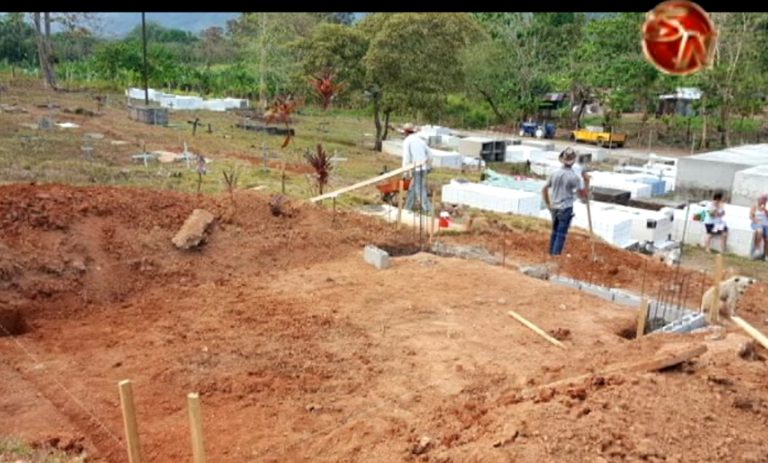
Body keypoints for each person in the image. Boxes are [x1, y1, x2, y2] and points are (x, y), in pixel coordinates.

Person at [542, 147, 589, 257]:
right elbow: (582, 195)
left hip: (555, 207)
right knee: (561, 234)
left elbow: (544, 189)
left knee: (554, 232)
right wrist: (587, 185)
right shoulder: (573, 177)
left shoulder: (554, 173)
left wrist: (548, 205)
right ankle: (555, 257)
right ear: (572, 161)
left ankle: (551, 255)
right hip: (565, 208)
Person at [402, 123, 433, 214]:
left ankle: (429, 210)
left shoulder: (407, 141)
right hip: (423, 168)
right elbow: (430, 155)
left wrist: (405, 172)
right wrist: (428, 166)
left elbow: (406, 157)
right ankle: (407, 209)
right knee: (413, 189)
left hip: (417, 169)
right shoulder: (420, 140)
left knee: (419, 190)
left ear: (406, 132)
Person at [749, 194, 768, 260]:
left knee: (767, 239)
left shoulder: (766, 208)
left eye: (765, 200)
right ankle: (757, 248)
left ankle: (765, 255)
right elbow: (751, 216)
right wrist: (755, 220)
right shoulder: (755, 206)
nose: (764, 201)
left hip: (765, 224)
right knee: (760, 231)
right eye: (763, 199)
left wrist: (765, 210)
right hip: (757, 223)